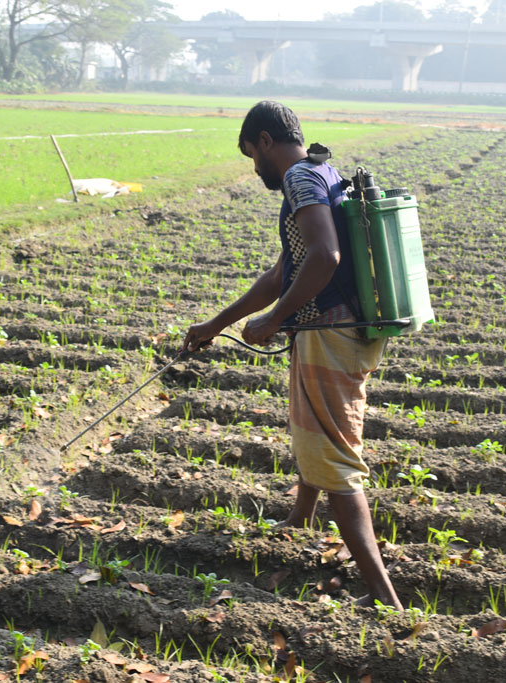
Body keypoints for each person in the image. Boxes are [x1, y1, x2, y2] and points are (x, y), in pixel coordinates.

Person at [181, 100, 403, 609]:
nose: (253, 166)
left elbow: (325, 257)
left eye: (250, 154)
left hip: (331, 330)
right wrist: (220, 323)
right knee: (312, 429)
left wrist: (277, 319)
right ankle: (299, 519)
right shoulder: (321, 171)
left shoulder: (300, 181)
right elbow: (286, 270)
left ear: (264, 142)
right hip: (332, 327)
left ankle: (384, 597)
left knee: (333, 455)